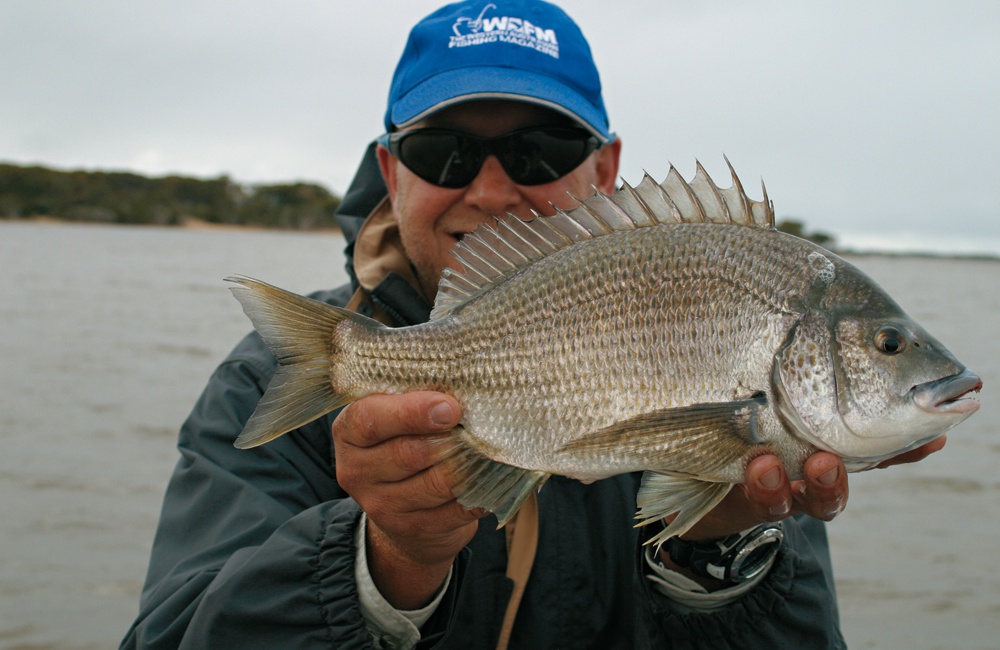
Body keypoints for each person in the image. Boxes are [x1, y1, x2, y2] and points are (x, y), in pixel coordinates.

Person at [121, 1, 946, 648]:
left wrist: (716, 557)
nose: (488, 190)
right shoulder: (262, 378)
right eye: (443, 151)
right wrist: (382, 564)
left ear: (608, 168)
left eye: (540, 150)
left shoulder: (778, 424)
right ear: (388, 171)